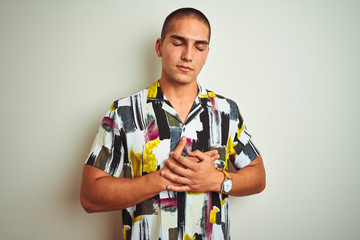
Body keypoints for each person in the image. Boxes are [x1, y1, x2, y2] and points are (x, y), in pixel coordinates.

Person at [80, 7, 265, 240]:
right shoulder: (123, 112)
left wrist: (217, 180)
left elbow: (258, 177)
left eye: (199, 47)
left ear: (206, 53)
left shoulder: (226, 111)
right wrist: (163, 178)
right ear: (159, 46)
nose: (188, 55)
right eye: (178, 43)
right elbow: (89, 196)